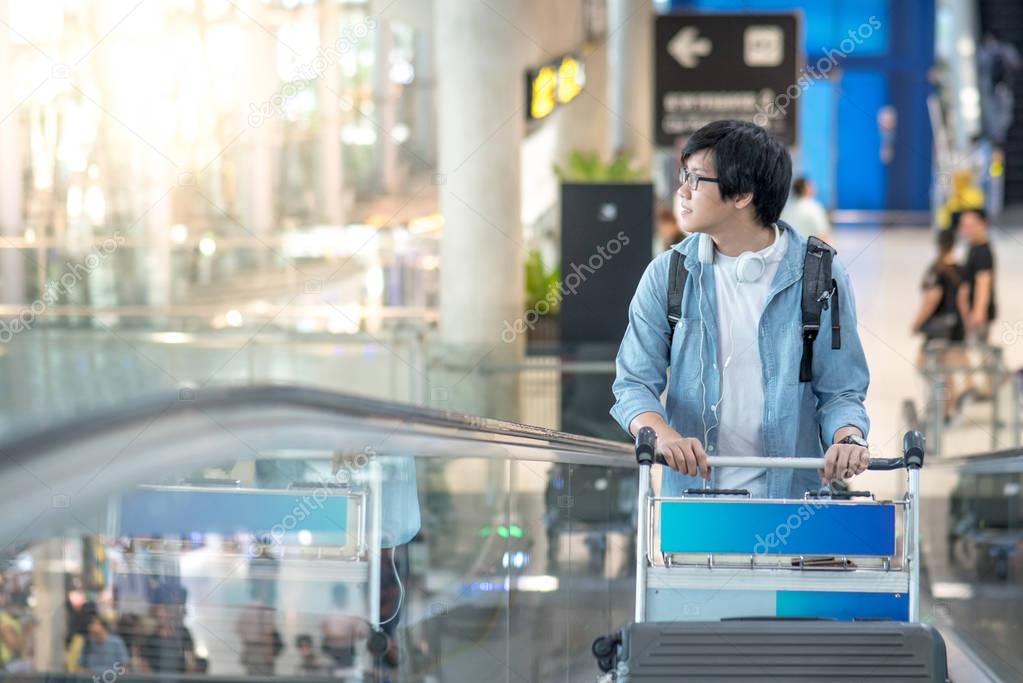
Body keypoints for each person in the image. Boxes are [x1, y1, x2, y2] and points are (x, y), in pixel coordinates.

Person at [611, 120, 871, 498]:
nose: (682, 191)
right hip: (694, 505)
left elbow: (841, 390)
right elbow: (633, 384)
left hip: (792, 502)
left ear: (743, 195)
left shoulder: (819, 276)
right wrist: (663, 435)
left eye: (697, 180)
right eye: (684, 176)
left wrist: (848, 438)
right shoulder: (669, 274)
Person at [910, 229, 966, 419]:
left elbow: (931, 299)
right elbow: (963, 300)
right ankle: (948, 407)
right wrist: (966, 326)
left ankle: (941, 406)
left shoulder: (937, 270)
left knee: (923, 364)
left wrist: (916, 323)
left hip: (937, 329)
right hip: (955, 328)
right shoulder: (960, 269)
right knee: (946, 369)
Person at [957, 208, 998, 400]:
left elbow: (983, 283)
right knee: (979, 352)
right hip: (973, 311)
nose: (967, 229)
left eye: (971, 225)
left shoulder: (982, 252)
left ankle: (989, 390)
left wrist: (977, 312)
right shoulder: (974, 247)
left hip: (978, 313)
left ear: (983, 225)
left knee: (978, 351)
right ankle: (985, 389)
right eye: (964, 225)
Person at [779, 176, 832, 243]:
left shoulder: (785, 207)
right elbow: (823, 235)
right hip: (808, 251)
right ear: (806, 189)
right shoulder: (814, 208)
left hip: (788, 249)